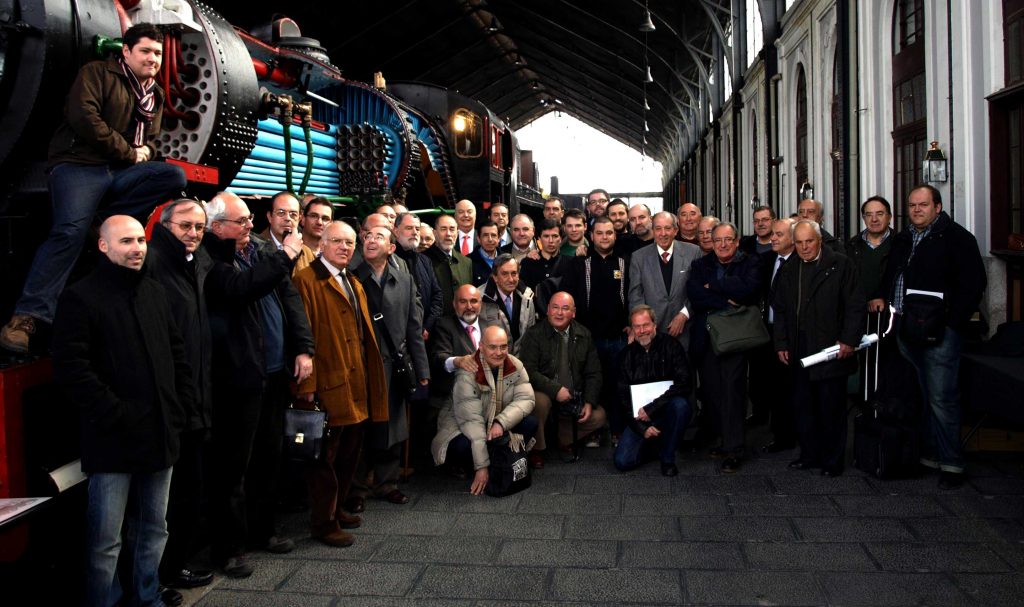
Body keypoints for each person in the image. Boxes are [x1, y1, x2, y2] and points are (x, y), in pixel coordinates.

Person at [2, 23, 187, 353]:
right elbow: (83, 116)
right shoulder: (97, 73)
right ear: (126, 52)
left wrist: (143, 155)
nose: (152, 58)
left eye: (157, 53)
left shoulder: (154, 95)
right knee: (69, 231)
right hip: (79, 164)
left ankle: (99, 221)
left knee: (172, 177)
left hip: (119, 172)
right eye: (145, 51)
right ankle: (25, 317)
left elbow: (152, 142)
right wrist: (130, 152)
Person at [52, 215, 194, 607]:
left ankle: (147, 597)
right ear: (103, 246)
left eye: (140, 240)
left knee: (154, 528)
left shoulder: (154, 291)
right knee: (105, 539)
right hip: (112, 439)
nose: (137, 248)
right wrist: (114, 412)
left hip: (161, 433)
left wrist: (178, 406)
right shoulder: (81, 297)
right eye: (127, 241)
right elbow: (71, 367)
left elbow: (177, 353)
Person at [202, 191, 314, 577]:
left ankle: (264, 529)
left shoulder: (257, 254)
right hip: (237, 379)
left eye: (250, 219)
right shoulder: (215, 260)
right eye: (242, 221)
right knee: (234, 466)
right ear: (217, 228)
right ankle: (230, 548)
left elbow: (290, 300)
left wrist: (303, 348)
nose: (250, 226)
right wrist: (284, 257)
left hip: (272, 371)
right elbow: (240, 289)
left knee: (270, 456)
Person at [878, 184, 986, 489]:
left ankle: (952, 463)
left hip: (939, 330)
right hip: (903, 326)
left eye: (923, 205)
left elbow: (974, 283)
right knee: (921, 393)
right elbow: (893, 275)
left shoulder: (957, 238)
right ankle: (929, 455)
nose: (916, 210)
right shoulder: (904, 238)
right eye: (912, 205)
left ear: (937, 207)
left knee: (942, 396)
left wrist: (952, 323)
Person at [292, 221, 389, 547]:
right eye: (337, 242)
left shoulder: (352, 280)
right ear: (322, 244)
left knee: (349, 453)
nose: (345, 248)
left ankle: (338, 509)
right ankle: (323, 523)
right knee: (324, 460)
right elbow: (301, 336)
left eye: (350, 242)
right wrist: (308, 386)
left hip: (355, 382)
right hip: (327, 384)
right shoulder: (307, 281)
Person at [146, 199, 215, 591]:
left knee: (189, 494)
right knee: (167, 502)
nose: (193, 233)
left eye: (199, 227)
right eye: (185, 226)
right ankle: (158, 577)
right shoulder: (156, 263)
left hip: (195, 398)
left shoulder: (194, 263)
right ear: (166, 224)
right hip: (172, 403)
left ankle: (172, 570)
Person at [773, 220, 865, 476]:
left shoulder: (841, 265)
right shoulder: (790, 268)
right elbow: (779, 309)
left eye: (809, 241)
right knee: (803, 405)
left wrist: (848, 339)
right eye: (799, 242)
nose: (804, 248)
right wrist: (781, 342)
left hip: (830, 346)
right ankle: (809, 454)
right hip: (798, 345)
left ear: (819, 240)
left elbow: (855, 305)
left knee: (831, 406)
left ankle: (832, 460)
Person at [350, 225, 430, 510]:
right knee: (360, 429)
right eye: (367, 236)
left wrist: (422, 372)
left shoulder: (405, 279)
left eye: (379, 237)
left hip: (395, 366)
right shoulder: (351, 275)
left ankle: (387, 483)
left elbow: (413, 327)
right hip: (361, 367)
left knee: (394, 427)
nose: (371, 240)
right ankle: (356, 488)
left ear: (391, 248)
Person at [686, 222, 762, 473]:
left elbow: (749, 290)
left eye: (728, 239)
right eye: (717, 240)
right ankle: (722, 440)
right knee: (713, 392)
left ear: (737, 241)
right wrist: (727, 298)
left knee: (733, 393)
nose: (722, 244)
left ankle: (735, 449)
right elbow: (696, 296)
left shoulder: (749, 263)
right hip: (707, 338)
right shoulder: (700, 265)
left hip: (735, 338)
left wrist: (715, 288)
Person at [431, 326, 538, 495]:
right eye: (492, 347)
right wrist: (482, 468)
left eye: (503, 346)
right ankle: (476, 462)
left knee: (531, 422)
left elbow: (527, 399)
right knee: (461, 446)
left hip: (495, 421)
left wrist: (501, 422)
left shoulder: (514, 364)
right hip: (463, 425)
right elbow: (472, 423)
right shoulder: (467, 372)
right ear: (481, 346)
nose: (499, 352)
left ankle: (497, 456)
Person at [562, 216, 630, 442]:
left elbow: (632, 296)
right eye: (599, 233)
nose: (604, 237)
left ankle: (618, 431)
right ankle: (595, 430)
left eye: (609, 233)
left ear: (615, 235)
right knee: (592, 384)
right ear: (591, 236)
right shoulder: (578, 263)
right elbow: (568, 298)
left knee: (618, 384)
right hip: (588, 338)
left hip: (619, 336)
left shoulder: (625, 262)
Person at [519, 292, 607, 468]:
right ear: (548, 310)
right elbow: (528, 371)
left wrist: (589, 401)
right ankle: (538, 448)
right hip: (545, 392)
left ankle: (561, 437)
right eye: (555, 307)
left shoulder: (584, 335)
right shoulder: (534, 334)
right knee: (539, 402)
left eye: (565, 308)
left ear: (573, 313)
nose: (559, 313)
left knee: (599, 416)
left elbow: (594, 372)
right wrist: (555, 390)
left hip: (573, 396)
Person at [613, 305, 693, 476]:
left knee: (681, 406)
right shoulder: (625, 356)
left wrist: (652, 409)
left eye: (646, 325)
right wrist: (642, 428)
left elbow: (684, 383)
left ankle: (667, 457)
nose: (642, 330)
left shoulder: (672, 346)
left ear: (655, 324)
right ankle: (658, 444)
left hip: (666, 411)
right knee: (622, 461)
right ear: (632, 329)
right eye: (637, 326)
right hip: (639, 417)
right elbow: (623, 399)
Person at [751, 217, 799, 452]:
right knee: (771, 384)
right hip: (768, 330)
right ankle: (778, 430)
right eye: (773, 234)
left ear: (794, 237)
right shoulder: (768, 260)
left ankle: (789, 435)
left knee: (790, 386)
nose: (773, 238)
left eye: (779, 234)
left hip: (793, 334)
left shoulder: (801, 263)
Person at [627, 212, 702, 349]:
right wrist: (641, 326)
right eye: (658, 228)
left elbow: (699, 289)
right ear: (653, 231)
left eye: (667, 228)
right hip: (652, 332)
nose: (663, 233)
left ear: (675, 230)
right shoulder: (639, 257)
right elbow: (635, 295)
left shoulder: (693, 252)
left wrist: (684, 314)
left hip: (685, 329)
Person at [394, 212, 443, 340]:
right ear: (396, 231)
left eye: (417, 228)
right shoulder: (389, 261)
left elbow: (437, 295)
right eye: (409, 228)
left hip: (427, 334)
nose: (415, 232)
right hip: (400, 335)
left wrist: (427, 327)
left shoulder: (425, 261)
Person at [480, 254, 537, 353]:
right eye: (505, 274)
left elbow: (531, 335)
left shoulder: (527, 297)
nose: (511, 279)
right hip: (493, 359)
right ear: (495, 277)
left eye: (514, 273)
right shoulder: (479, 299)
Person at [847, 196, 894, 312]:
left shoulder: (900, 245)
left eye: (879, 214)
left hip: (890, 316)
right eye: (869, 215)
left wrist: (885, 300)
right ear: (864, 218)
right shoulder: (851, 246)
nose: (874, 219)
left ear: (889, 217)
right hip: (858, 315)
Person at [424, 213, 473, 316]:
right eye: (443, 229)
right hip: (435, 326)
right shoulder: (423, 261)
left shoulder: (466, 262)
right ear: (434, 233)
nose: (448, 234)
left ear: (457, 232)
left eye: (452, 229)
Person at [260, 191, 315, 274]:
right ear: (270, 217)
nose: (287, 218)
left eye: (293, 214)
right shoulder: (254, 249)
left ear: (300, 218)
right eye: (281, 213)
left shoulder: (307, 252)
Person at [520, 219, 570, 291]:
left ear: (561, 239)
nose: (550, 241)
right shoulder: (527, 263)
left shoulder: (569, 263)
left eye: (555, 236)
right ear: (539, 239)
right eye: (546, 236)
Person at [299, 196, 333, 264]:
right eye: (313, 216)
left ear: (331, 224)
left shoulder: (334, 255)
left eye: (325, 219)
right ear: (303, 219)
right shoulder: (289, 250)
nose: (319, 222)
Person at [468, 220, 502, 285]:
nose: (490, 239)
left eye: (493, 235)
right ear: (478, 239)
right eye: (485, 235)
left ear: (499, 239)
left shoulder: (507, 259)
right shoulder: (468, 262)